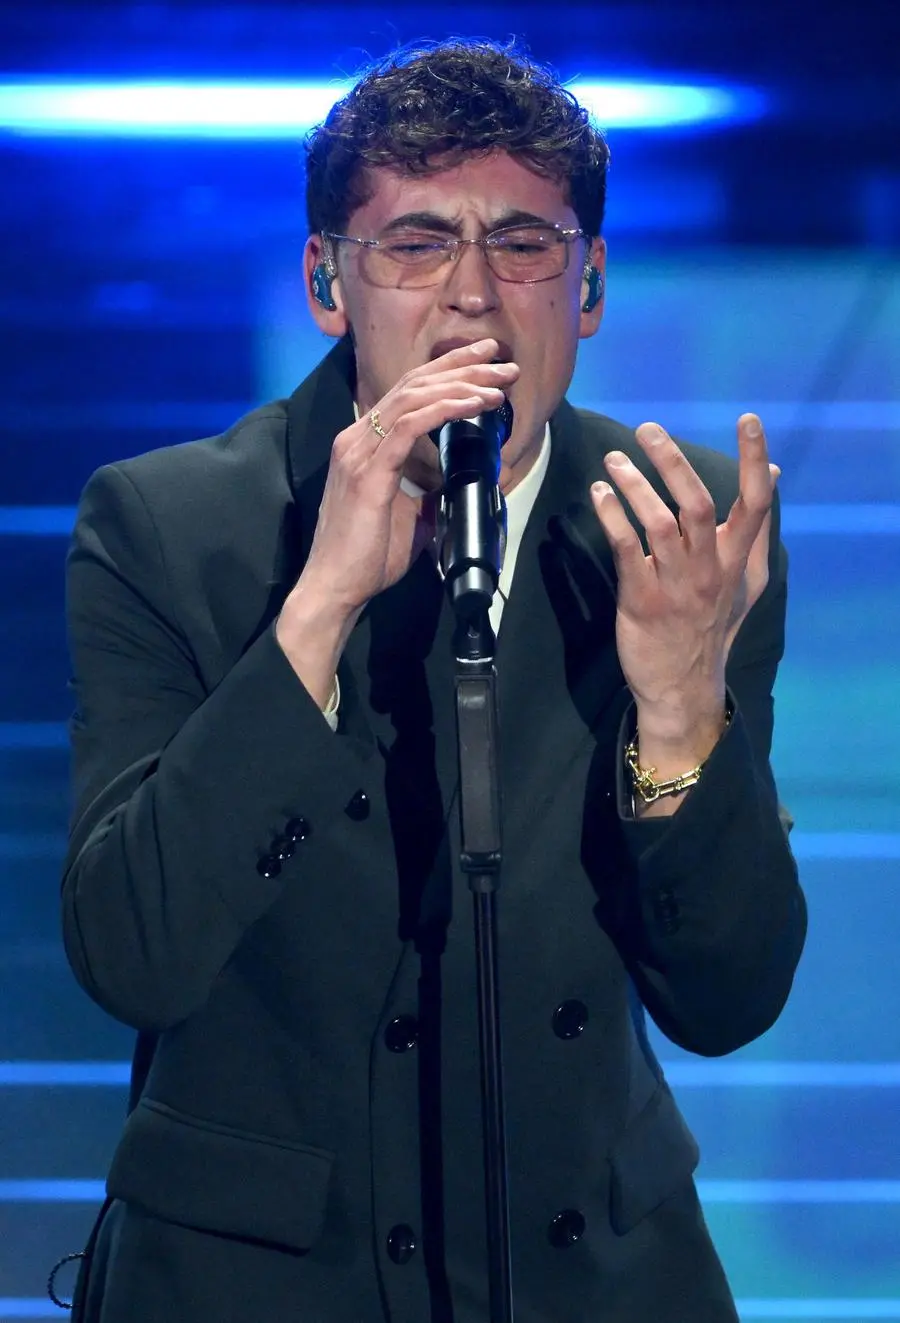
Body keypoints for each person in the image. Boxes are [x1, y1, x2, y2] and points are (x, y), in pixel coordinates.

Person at [59, 38, 806, 1323]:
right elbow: (135, 952)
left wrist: (684, 708)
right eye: (414, 245)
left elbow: (729, 994)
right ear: (326, 283)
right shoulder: (167, 527)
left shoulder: (678, 535)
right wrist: (322, 604)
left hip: (593, 1271)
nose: (472, 298)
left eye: (523, 245)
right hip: (260, 1280)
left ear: (590, 286)